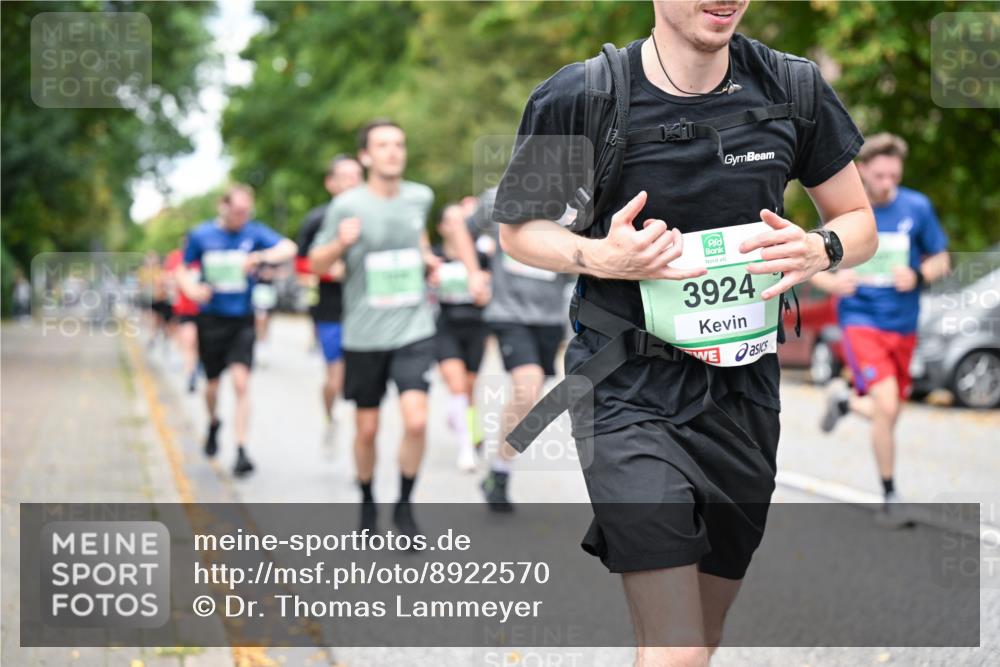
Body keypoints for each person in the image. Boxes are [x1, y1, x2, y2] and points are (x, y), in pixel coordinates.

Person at [492, 1, 877, 662]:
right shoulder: (581, 95)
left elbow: (858, 221)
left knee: (703, 630)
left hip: (743, 393)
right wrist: (598, 256)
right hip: (624, 386)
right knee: (678, 648)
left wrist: (821, 249)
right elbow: (518, 230)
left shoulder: (793, 87)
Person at [309, 119, 487, 534]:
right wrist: (340, 243)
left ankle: (404, 506)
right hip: (364, 334)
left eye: (399, 145)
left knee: (417, 420)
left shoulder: (419, 197)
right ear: (366, 156)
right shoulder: (346, 206)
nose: (393, 152)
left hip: (413, 327)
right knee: (367, 429)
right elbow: (317, 263)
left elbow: (440, 234)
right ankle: (368, 501)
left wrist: (460, 269)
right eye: (383, 145)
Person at [815, 133, 949, 523]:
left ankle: (844, 402)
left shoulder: (917, 208)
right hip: (860, 319)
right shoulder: (848, 213)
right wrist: (832, 282)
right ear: (862, 172)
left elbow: (941, 259)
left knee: (889, 413)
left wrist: (920, 274)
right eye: (880, 175)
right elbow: (810, 263)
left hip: (903, 324)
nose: (888, 182)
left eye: (894, 174)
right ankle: (891, 496)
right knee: (886, 405)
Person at [177, 184, 297, 477]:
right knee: (213, 386)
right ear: (224, 206)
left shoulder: (253, 232)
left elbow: (289, 247)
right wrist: (192, 289)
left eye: (247, 212)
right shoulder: (202, 234)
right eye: (237, 211)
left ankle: (242, 449)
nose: (242, 217)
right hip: (212, 319)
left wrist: (258, 257)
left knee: (242, 384)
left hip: (242, 319)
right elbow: (182, 268)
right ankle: (214, 422)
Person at [472, 187, 574, 510]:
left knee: (528, 403)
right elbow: (464, 228)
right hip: (509, 313)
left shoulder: (577, 202)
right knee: (526, 390)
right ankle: (500, 474)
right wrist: (475, 271)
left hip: (549, 318)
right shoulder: (500, 196)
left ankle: (499, 469)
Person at [295, 155, 364, 440]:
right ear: (330, 183)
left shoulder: (371, 214)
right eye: (344, 177)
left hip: (366, 310)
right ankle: (330, 417)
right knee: (335, 379)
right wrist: (329, 271)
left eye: (356, 176)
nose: (351, 182)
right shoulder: (317, 219)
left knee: (361, 383)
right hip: (330, 309)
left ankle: (362, 445)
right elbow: (300, 263)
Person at [432, 203, 492, 472]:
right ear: (442, 228)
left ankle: (465, 422)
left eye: (462, 221)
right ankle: (466, 450)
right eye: (451, 221)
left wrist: (486, 289)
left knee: (469, 388)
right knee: (457, 386)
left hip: (477, 328)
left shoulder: (482, 256)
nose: (457, 226)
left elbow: (493, 288)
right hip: (446, 328)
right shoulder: (433, 258)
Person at [164, 239, 201, 392]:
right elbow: (167, 277)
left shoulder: (203, 256)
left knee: (197, 341)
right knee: (188, 339)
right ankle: (190, 373)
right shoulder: (176, 257)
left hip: (205, 310)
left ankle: (196, 364)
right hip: (185, 308)